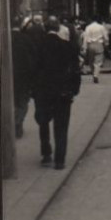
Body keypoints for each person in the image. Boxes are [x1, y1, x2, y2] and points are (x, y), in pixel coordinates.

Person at [34, 16, 82, 169]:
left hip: (43, 92)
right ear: (57, 28)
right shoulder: (67, 46)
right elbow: (75, 70)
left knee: (43, 122)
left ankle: (46, 153)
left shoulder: (38, 46)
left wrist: (33, 91)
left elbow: (33, 70)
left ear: (45, 28)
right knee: (61, 126)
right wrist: (74, 89)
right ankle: (60, 160)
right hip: (63, 92)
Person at [12, 17, 42, 138]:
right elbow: (34, 60)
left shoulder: (3, 39)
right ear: (20, 26)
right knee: (23, 102)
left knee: (12, 102)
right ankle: (17, 123)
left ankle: (13, 123)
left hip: (8, 77)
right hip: (24, 77)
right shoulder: (26, 39)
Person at [82, 16, 108, 83]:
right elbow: (105, 37)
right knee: (98, 61)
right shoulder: (101, 27)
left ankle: (93, 72)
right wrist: (106, 44)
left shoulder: (88, 27)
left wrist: (84, 47)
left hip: (90, 45)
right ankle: (96, 75)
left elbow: (85, 38)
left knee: (91, 61)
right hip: (99, 44)